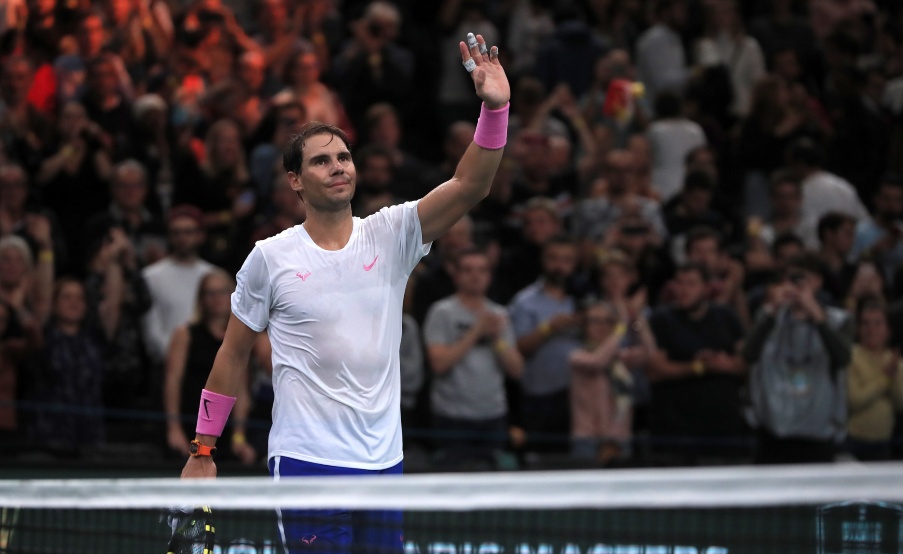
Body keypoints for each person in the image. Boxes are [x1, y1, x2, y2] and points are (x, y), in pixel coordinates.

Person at [180, 32, 510, 554]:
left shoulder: (394, 233)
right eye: (321, 160)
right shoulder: (270, 257)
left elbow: (472, 185)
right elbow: (234, 353)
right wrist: (203, 448)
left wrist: (496, 109)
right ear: (295, 180)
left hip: (384, 462)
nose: (338, 166)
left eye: (344, 156)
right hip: (307, 461)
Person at [743, 253, 852, 464]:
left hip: (818, 434)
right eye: (789, 279)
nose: (795, 286)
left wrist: (817, 316)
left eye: (802, 279)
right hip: (773, 434)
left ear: (818, 282)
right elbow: (749, 354)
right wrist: (772, 310)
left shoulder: (839, 321)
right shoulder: (767, 317)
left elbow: (843, 358)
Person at [423, 247, 523, 469]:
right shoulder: (442, 312)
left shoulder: (499, 315)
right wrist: (476, 332)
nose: (475, 276)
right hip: (452, 415)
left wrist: (498, 339)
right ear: (456, 275)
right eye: (468, 270)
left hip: (493, 414)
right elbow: (439, 364)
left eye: (482, 270)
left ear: (489, 276)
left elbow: (517, 370)